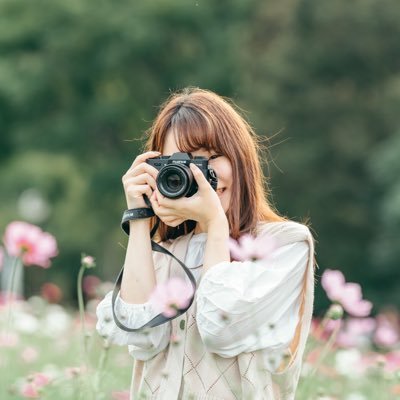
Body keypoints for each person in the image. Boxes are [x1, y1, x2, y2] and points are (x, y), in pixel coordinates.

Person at [96, 87, 316, 400]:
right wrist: (139, 217)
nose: (202, 175)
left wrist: (215, 223)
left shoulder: (285, 246)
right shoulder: (163, 253)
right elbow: (141, 336)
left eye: (211, 158)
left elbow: (221, 329)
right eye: (183, 163)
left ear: (239, 158)